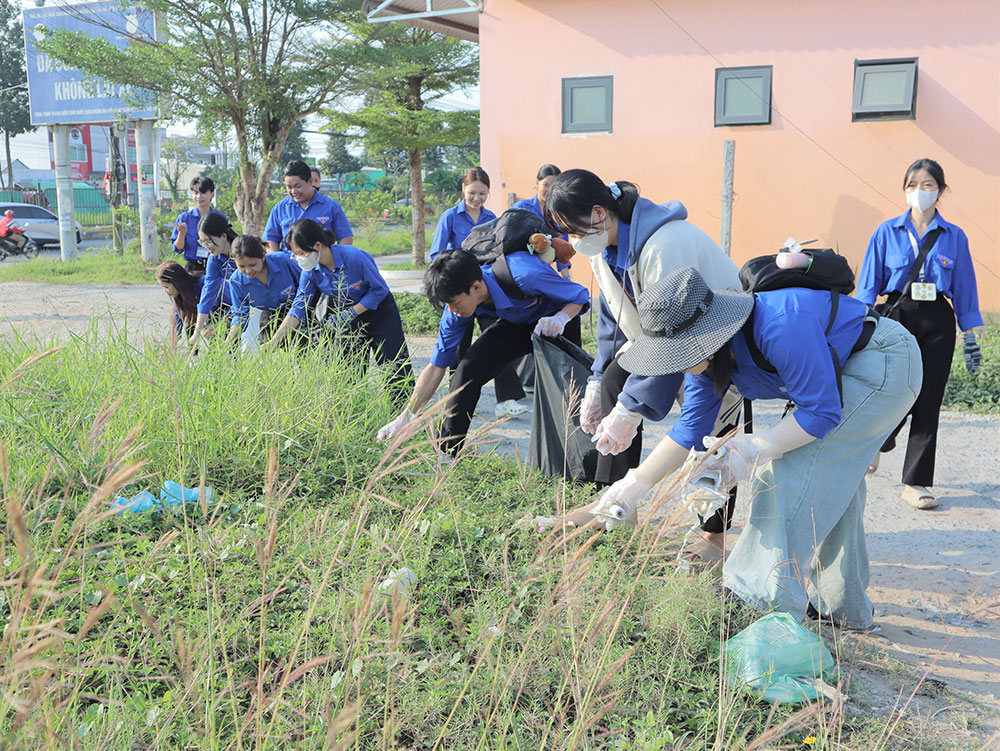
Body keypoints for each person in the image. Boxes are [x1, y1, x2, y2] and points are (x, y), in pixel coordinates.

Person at [592, 266, 920, 630]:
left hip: (882, 362)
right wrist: (633, 486)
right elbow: (690, 429)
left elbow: (821, 413)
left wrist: (755, 448)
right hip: (843, 372)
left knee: (784, 470)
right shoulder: (706, 361)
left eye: (676, 353)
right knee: (829, 479)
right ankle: (844, 609)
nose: (674, 365)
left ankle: (757, 608)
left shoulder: (780, 326)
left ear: (702, 338)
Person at [545, 169, 741, 563]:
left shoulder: (665, 245)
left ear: (598, 213)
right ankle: (616, 502)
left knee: (716, 439)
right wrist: (597, 381)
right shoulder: (603, 249)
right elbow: (612, 317)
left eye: (574, 229)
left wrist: (630, 411)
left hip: (716, 345)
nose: (573, 240)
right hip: (663, 342)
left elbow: (673, 334)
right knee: (615, 380)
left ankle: (712, 537)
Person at [857, 159, 983, 510]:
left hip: (938, 319)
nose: (920, 191)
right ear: (904, 190)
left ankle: (916, 481)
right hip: (897, 315)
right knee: (893, 390)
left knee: (929, 398)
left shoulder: (954, 236)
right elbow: (868, 284)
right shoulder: (886, 232)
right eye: (913, 185)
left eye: (928, 185)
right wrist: (857, 326)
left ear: (940, 190)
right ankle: (878, 441)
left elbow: (965, 287)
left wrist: (970, 336)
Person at [376, 248, 590, 455]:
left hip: (555, 321)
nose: (452, 310)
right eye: (447, 304)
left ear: (476, 287)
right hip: (516, 323)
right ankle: (447, 452)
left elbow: (579, 295)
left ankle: (584, 454)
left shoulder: (525, 274)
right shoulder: (455, 313)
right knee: (467, 370)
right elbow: (436, 366)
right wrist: (406, 416)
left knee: (570, 390)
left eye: (454, 303)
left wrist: (560, 319)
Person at [266, 218, 413, 392]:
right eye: (295, 254)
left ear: (318, 245)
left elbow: (379, 290)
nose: (298, 259)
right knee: (348, 373)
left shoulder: (354, 257)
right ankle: (356, 406)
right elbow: (299, 306)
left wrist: (352, 312)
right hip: (346, 317)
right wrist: (275, 341)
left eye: (301, 253)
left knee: (395, 367)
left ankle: (406, 407)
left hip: (379, 312)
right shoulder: (310, 271)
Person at [430, 167, 527, 417]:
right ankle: (457, 402)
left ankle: (506, 400)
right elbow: (436, 256)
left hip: (484, 290)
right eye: (472, 192)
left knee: (497, 341)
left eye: (482, 193)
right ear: (463, 189)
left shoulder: (491, 217)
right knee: (458, 350)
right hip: (459, 292)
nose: (477, 198)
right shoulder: (450, 217)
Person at [512, 163, 581, 347]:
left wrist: (566, 276)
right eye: (546, 184)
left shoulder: (559, 213)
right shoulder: (521, 208)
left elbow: (562, 248)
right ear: (537, 183)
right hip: (523, 273)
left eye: (554, 185)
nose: (549, 190)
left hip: (545, 273)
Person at [226, 235, 302, 349]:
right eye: (242, 266)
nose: (248, 271)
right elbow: (240, 315)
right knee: (265, 347)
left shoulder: (282, 261)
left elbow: (306, 284)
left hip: (299, 307)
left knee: (300, 344)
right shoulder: (236, 281)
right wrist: (228, 341)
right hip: (270, 314)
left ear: (263, 256)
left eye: (252, 265)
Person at [263, 160, 353, 255]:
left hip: (321, 262)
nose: (293, 191)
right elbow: (270, 239)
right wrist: (278, 260)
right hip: (290, 262)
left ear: (310, 181)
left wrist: (335, 258)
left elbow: (346, 237)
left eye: (298, 186)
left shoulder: (331, 207)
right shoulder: (280, 208)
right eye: (289, 187)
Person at [189, 212, 239, 350]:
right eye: (202, 242)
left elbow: (249, 296)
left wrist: (228, 325)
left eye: (208, 241)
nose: (206, 246)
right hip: (235, 307)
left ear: (223, 236)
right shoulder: (215, 258)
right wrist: (197, 333)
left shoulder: (243, 251)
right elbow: (208, 292)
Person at [172, 177, 225, 272]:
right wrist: (182, 233)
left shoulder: (220, 218)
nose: (199, 196)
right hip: (193, 268)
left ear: (212, 194)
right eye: (196, 193)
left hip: (216, 265)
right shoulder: (184, 219)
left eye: (203, 192)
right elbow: (178, 249)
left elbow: (226, 244)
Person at [155, 261, 204, 340]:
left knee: (209, 331)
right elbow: (176, 324)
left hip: (222, 312)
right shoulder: (180, 296)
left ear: (177, 283)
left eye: (167, 287)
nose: (165, 291)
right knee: (189, 326)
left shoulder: (202, 284)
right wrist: (171, 342)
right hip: (205, 315)